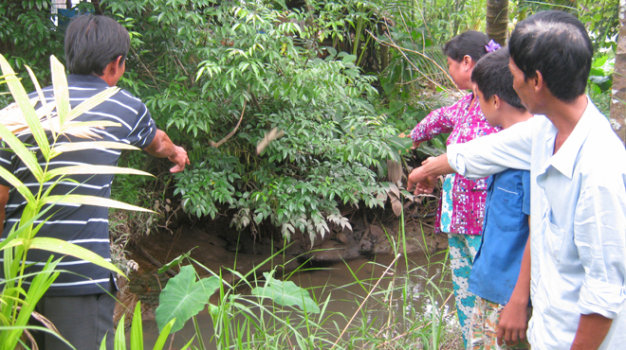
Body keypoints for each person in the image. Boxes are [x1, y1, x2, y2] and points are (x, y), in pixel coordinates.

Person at [409, 10, 626, 349]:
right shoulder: (544, 130)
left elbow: (604, 294)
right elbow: (486, 151)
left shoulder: (599, 170)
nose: (509, 86)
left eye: (513, 76)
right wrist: (429, 169)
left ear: (536, 81)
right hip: (546, 330)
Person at [0, 15, 190, 350]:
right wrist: (177, 154)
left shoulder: (18, 110)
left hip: (14, 280)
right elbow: (156, 141)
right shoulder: (122, 106)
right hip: (78, 282)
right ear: (117, 65)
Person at [410, 48, 533, 349]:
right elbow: (470, 154)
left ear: (495, 100)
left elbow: (537, 230)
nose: (475, 104)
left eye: (478, 97)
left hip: (510, 287)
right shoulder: (512, 138)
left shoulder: (530, 144)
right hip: (490, 276)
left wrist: (519, 299)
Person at [408, 30, 499, 345]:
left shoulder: (498, 105)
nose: (448, 71)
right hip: (457, 220)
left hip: (485, 223)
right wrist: (412, 137)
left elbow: (478, 154)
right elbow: (439, 117)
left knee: (488, 298)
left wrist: (431, 167)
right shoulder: (468, 104)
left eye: (449, 64)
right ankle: (468, 342)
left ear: (467, 62)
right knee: (464, 296)